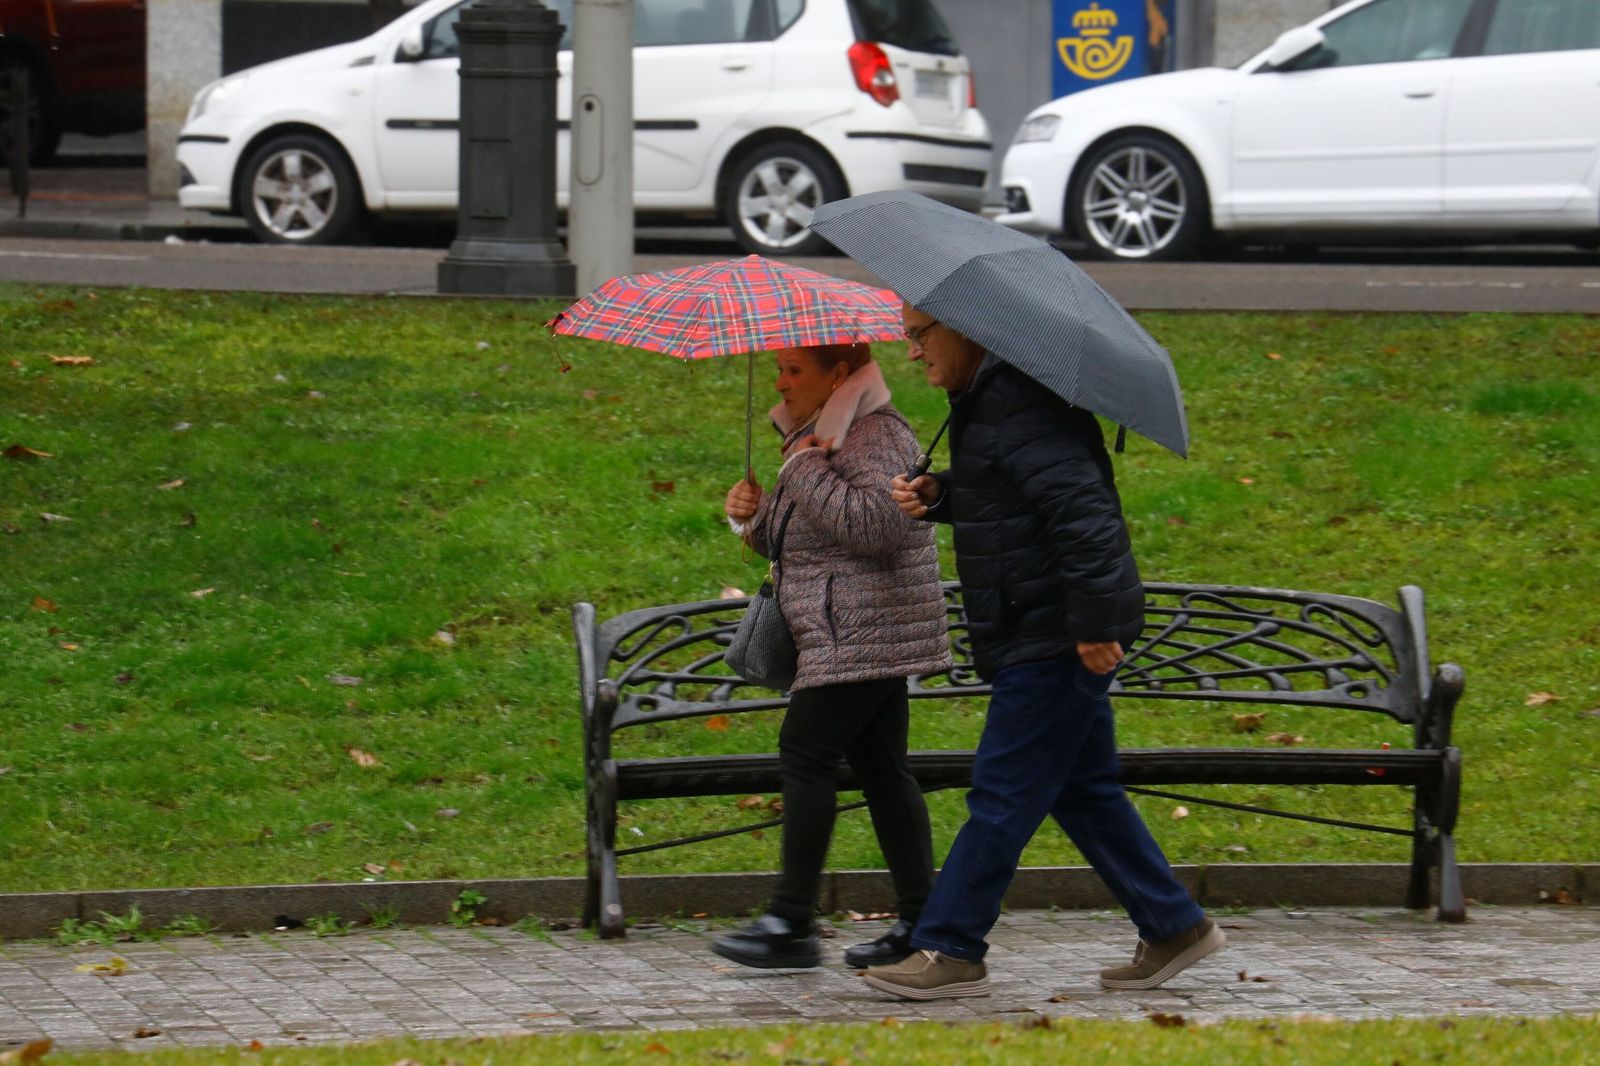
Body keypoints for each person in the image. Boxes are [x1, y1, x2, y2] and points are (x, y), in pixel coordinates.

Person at [862, 306, 1223, 1000]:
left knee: (1002, 790)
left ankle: (952, 945)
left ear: (967, 327)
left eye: (920, 334)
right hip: (1040, 621)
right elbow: (1015, 502)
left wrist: (1090, 623)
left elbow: (1082, 514)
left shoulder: (1020, 404)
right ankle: (1175, 925)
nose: (912, 352)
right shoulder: (991, 403)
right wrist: (943, 495)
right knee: (1083, 791)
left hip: (1055, 630)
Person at [711, 341, 953, 970]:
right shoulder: (821, 436)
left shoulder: (877, 434)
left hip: (866, 628)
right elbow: (799, 539)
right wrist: (752, 517)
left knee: (805, 751)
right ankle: (924, 921)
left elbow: (878, 526)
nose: (782, 384)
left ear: (839, 374)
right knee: (880, 767)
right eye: (779, 372)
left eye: (795, 371)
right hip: (846, 627)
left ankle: (792, 921)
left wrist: (801, 470)